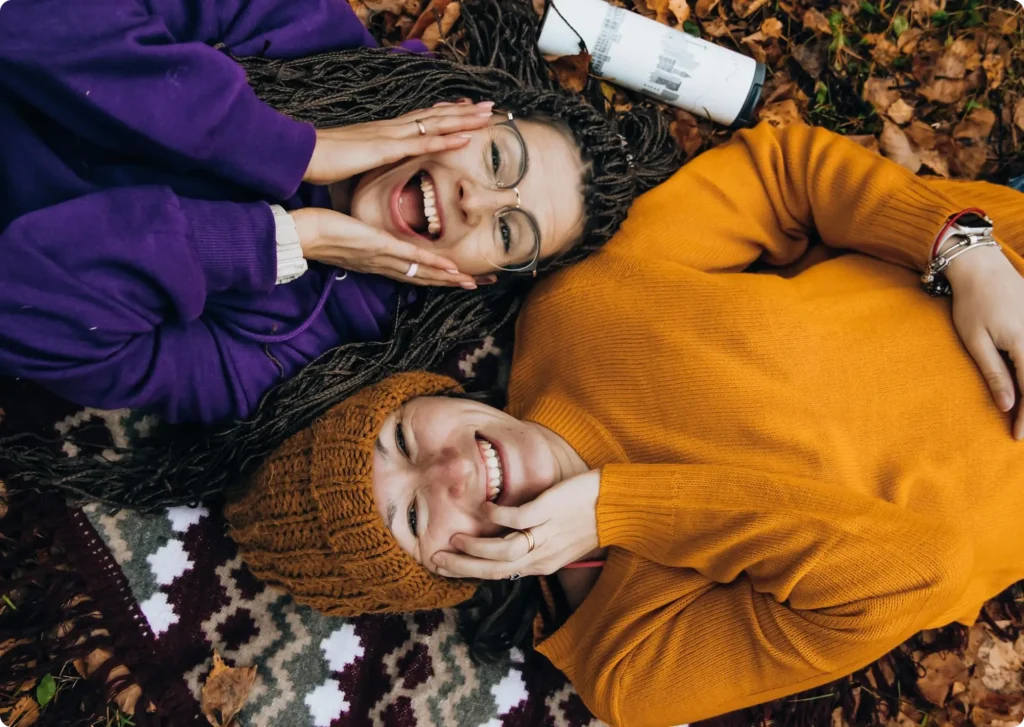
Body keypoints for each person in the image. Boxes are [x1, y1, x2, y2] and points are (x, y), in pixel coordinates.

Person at [224, 122, 1024, 727]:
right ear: (441, 574)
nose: (452, 471)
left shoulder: (574, 314)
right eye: (413, 514)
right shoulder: (630, 663)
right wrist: (620, 506)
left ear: (420, 391)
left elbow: (779, 173)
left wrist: (962, 250)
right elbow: (911, 572)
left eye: (400, 439)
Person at [0, 0, 676, 425]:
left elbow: (24, 317)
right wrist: (293, 150)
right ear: (462, 112)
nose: (478, 199)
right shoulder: (303, 30)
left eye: (508, 230)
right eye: (500, 160)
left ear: (475, 279)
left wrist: (277, 240)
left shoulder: (296, 353)